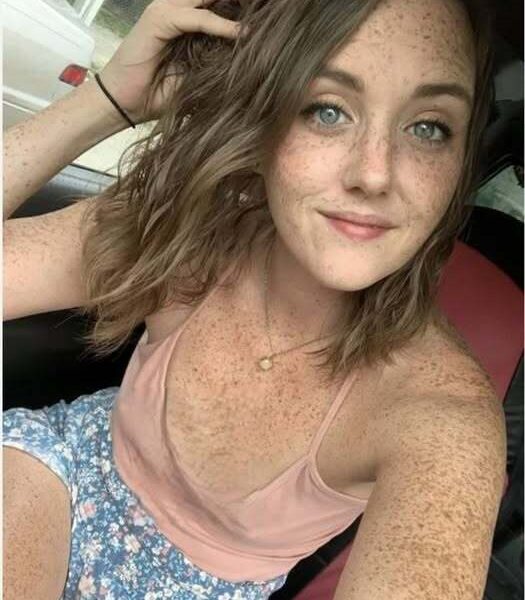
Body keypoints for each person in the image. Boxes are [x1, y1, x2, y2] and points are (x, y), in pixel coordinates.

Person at [3, 0, 507, 598]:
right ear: (265, 117)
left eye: (428, 128)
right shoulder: (190, 235)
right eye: (327, 110)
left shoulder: (442, 419)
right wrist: (110, 100)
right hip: (53, 478)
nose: (375, 174)